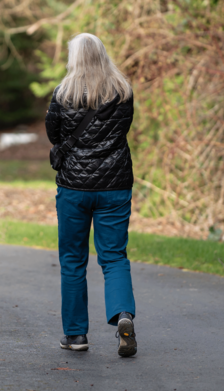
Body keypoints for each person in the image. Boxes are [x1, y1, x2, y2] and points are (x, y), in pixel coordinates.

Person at [45, 33, 137, 357]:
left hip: (74, 188)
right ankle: (123, 314)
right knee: (114, 256)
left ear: (75, 58)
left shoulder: (63, 93)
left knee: (72, 260)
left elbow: (53, 134)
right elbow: (122, 131)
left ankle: (75, 335)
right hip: (115, 185)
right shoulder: (123, 92)